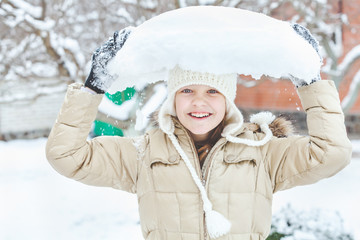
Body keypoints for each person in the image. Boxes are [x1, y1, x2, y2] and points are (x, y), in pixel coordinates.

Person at [46, 25, 352, 240]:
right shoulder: (143, 154)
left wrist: (311, 83)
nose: (199, 102)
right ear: (174, 97)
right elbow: (66, 155)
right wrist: (93, 88)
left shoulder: (263, 151)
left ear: (228, 99)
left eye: (213, 92)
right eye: (187, 90)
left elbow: (332, 154)